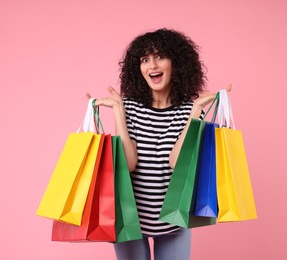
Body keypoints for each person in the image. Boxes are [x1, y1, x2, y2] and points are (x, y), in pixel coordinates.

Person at [87, 28, 231, 260]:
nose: (152, 65)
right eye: (145, 59)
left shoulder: (189, 110)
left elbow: (177, 162)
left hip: (174, 222)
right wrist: (118, 112)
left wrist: (195, 112)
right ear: (137, 68)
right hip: (130, 223)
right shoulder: (129, 107)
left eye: (160, 57)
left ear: (176, 63)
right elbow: (128, 164)